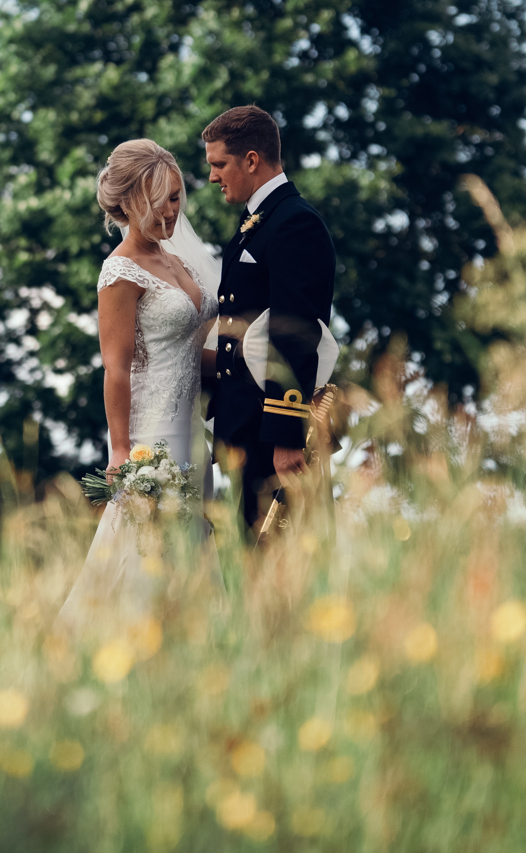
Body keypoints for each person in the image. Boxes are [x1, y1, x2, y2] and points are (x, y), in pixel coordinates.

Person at [55, 139, 219, 634]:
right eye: (157, 201)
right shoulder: (119, 271)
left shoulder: (181, 263)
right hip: (154, 439)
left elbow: (200, 350)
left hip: (194, 434)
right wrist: (121, 450)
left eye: (175, 197)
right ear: (128, 202)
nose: (170, 212)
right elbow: (117, 369)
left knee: (193, 552)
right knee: (149, 552)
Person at [202, 106, 337, 537]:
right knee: (249, 567)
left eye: (218, 164)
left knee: (278, 563)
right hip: (246, 429)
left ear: (252, 160)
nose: (212, 177)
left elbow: (294, 331)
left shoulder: (294, 222)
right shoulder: (258, 222)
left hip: (270, 432)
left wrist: (286, 436)